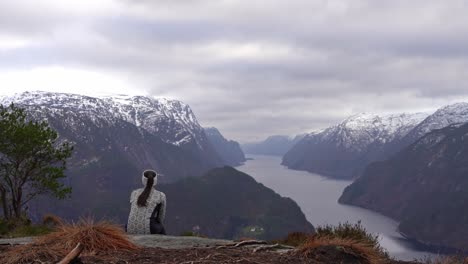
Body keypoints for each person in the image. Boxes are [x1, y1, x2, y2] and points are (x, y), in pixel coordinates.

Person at [127, 169, 166, 234]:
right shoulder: (161, 195)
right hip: (149, 228)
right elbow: (160, 217)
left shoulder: (134, 193)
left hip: (129, 228)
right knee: (162, 230)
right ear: (155, 181)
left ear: (143, 180)